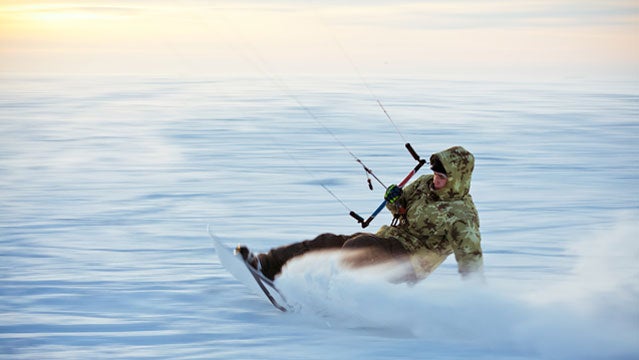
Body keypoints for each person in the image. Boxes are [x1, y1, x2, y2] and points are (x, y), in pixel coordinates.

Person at [237, 145, 483, 283]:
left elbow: (471, 258)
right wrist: (394, 200)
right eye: (436, 175)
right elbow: (401, 209)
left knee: (358, 247)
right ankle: (266, 265)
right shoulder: (424, 183)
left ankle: (321, 292)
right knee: (329, 241)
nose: (436, 181)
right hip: (390, 240)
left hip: (410, 262)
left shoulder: (463, 217)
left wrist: (475, 301)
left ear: (457, 179)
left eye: (442, 178)